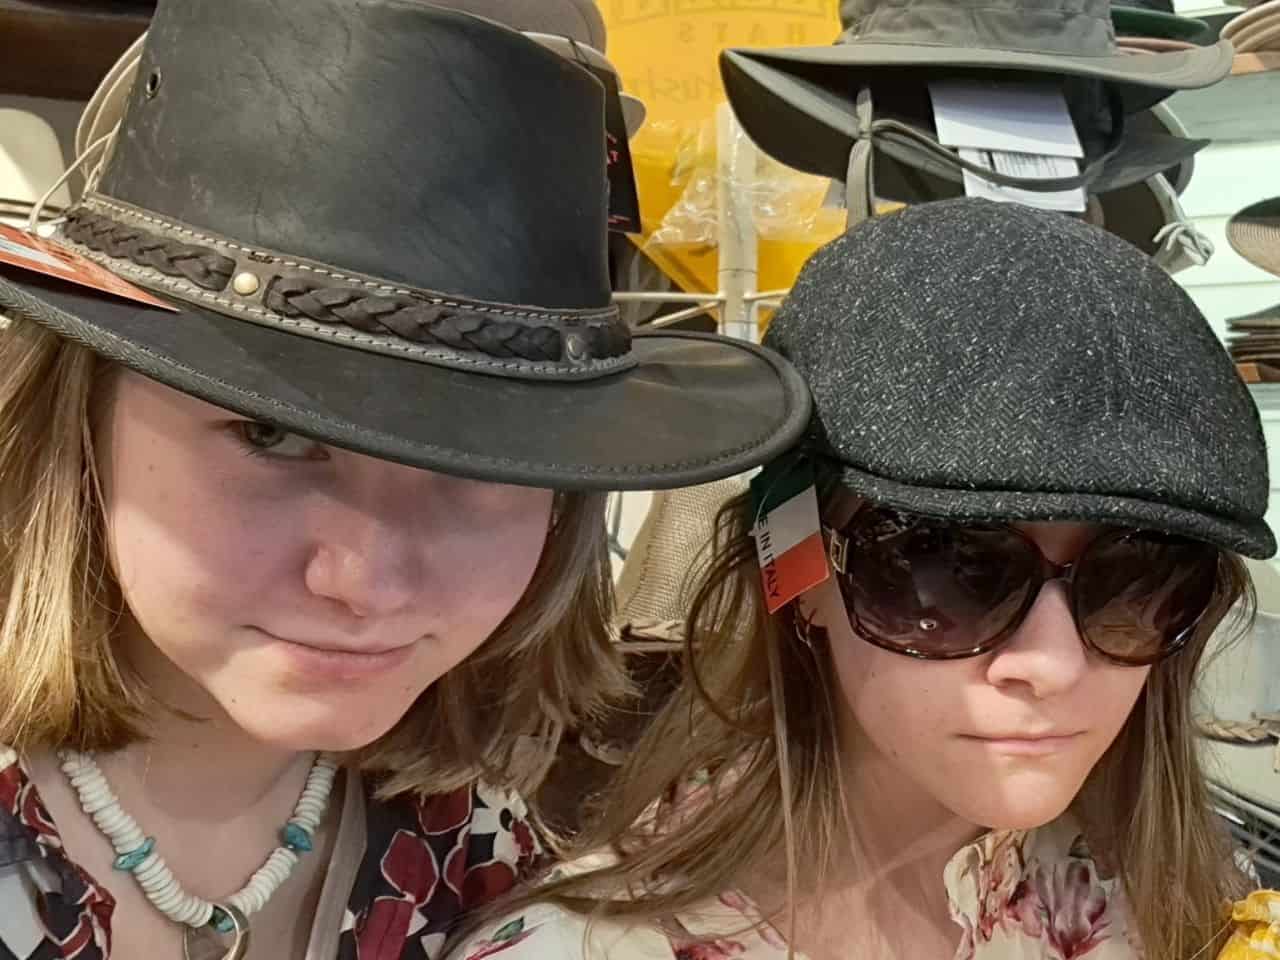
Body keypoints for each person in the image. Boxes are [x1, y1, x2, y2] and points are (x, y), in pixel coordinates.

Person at [0, 0, 809, 957]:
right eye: (270, 433)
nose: (365, 581)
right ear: (81, 418)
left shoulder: (475, 843)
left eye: (477, 463)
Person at [446, 198, 1274, 960]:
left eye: (1137, 582)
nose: (1052, 666)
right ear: (799, 570)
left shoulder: (1193, 907)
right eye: (946, 570)